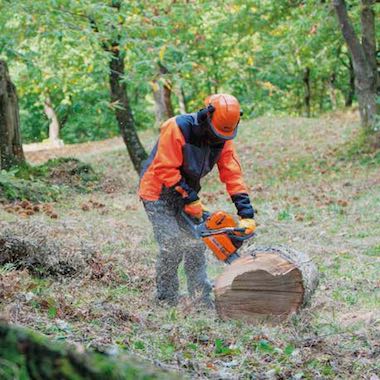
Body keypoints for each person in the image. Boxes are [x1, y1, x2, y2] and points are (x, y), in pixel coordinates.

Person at [139, 94, 256, 307]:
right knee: (172, 243)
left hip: (186, 195)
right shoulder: (178, 127)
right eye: (216, 132)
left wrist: (246, 213)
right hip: (157, 193)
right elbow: (165, 168)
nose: (218, 138)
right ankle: (166, 299)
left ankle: (200, 299)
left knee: (196, 242)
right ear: (206, 116)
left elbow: (232, 173)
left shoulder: (224, 139)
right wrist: (190, 197)